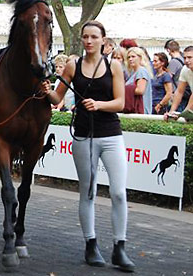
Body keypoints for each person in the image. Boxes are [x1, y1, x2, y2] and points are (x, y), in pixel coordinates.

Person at [41, 20, 134, 272]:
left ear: (103, 40)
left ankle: (119, 247)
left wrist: (99, 105)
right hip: (83, 135)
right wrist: (47, 91)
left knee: (118, 193)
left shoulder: (113, 65)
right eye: (85, 37)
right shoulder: (73, 65)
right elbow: (57, 97)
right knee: (88, 191)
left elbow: (120, 103)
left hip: (111, 134)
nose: (89, 41)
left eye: (94, 37)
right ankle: (91, 244)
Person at [165, 46, 193, 119]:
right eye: (185, 58)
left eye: (190, 57)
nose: (186, 60)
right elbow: (179, 91)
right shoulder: (185, 69)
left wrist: (185, 113)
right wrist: (171, 112)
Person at [125, 47, 153, 114]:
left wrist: (123, 90)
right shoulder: (133, 73)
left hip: (141, 110)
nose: (130, 59)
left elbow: (140, 90)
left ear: (140, 58)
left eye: (133, 56)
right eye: (128, 57)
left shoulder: (141, 71)